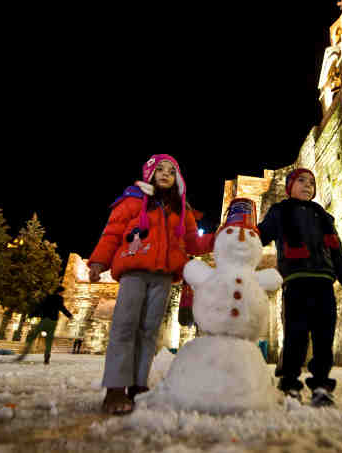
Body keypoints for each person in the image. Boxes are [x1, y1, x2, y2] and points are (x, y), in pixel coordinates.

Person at [88, 154, 214, 415]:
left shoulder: (182, 210)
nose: (165, 174)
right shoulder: (133, 201)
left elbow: (193, 243)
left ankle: (137, 385)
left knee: (148, 331)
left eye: (171, 170)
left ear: (177, 177)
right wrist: (99, 262)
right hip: (134, 270)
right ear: (150, 174)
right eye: (160, 170)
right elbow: (112, 233)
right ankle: (115, 388)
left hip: (164, 276)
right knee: (125, 326)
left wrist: (218, 237)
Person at [258, 168, 342, 408]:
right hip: (296, 281)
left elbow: (336, 250)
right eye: (301, 181)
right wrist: (242, 234)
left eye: (311, 182)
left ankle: (321, 384)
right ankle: (290, 383)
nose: (307, 185)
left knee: (324, 337)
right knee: (295, 335)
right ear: (289, 186)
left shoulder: (323, 216)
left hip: (324, 282)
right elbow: (261, 234)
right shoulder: (280, 211)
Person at [16, 285, 73, 364]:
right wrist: (69, 315)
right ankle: (46, 356)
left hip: (45, 319)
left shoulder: (48, 297)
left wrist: (31, 315)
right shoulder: (59, 299)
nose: (63, 294)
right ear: (60, 292)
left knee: (33, 335)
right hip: (53, 321)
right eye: (62, 292)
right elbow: (62, 308)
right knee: (49, 340)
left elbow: (40, 306)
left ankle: (25, 351)